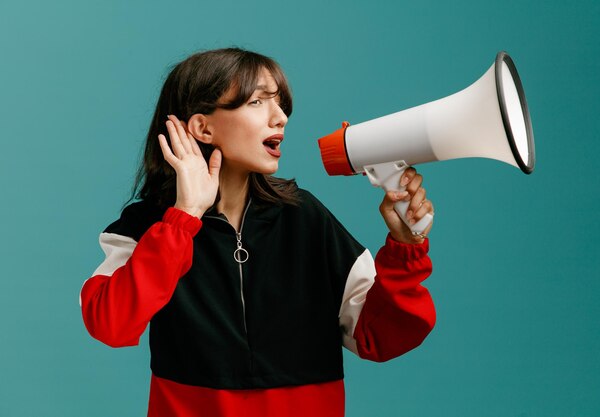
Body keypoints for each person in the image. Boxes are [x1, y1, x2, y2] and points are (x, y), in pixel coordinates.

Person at [80, 47, 436, 417]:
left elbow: (380, 338)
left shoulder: (306, 218)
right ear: (203, 127)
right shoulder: (149, 226)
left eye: (280, 104)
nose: (280, 117)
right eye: (256, 102)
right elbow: (110, 324)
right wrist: (183, 219)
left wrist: (404, 248)